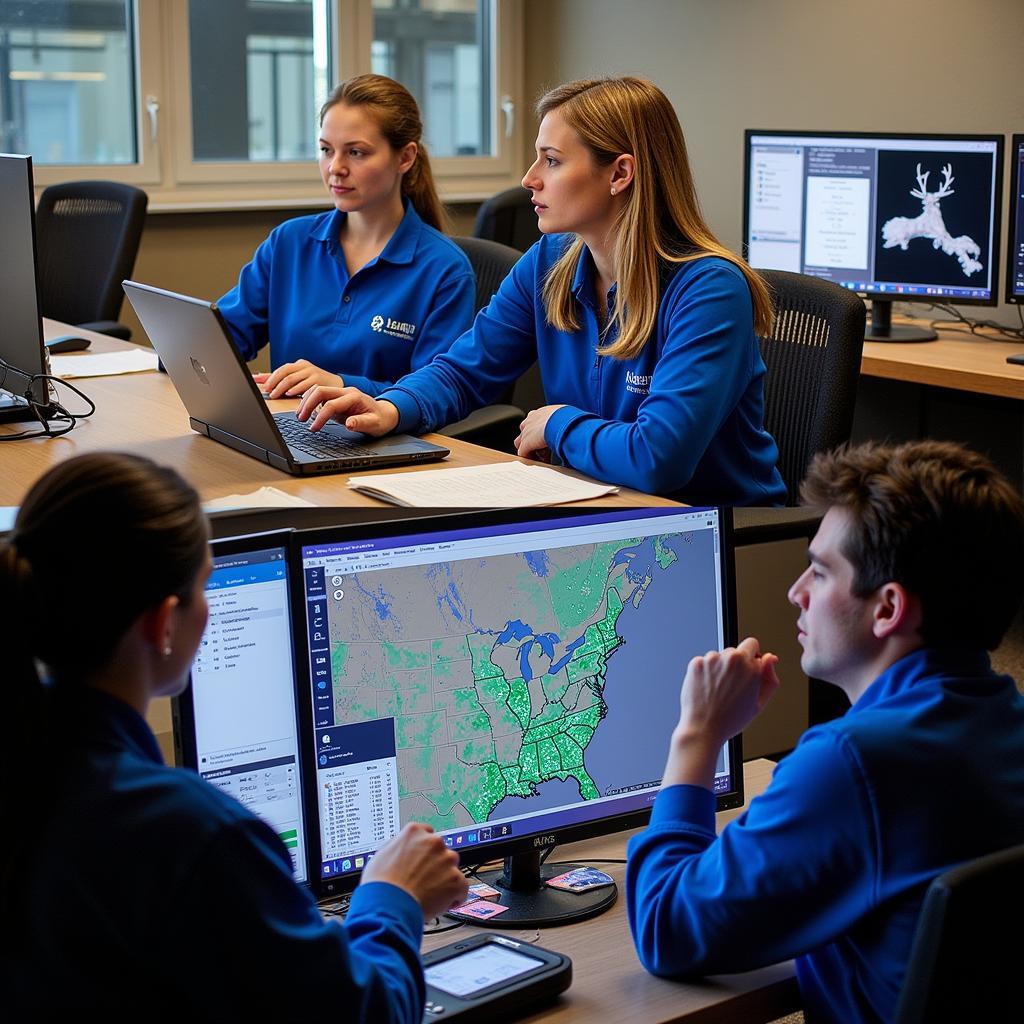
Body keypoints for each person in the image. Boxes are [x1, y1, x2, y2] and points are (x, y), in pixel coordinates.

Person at [0, 452, 468, 1018]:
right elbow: (362, 1013)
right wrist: (393, 897)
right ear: (162, 623)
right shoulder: (188, 834)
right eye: (207, 588)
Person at [625, 440, 1024, 1023]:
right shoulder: (1006, 719)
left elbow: (665, 929)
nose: (796, 592)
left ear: (887, 609)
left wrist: (698, 735)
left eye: (819, 570)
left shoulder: (853, 764)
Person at [294, 76, 786, 505]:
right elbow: (465, 371)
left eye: (551, 161)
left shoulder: (708, 290)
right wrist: (392, 407)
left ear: (620, 173)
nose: (529, 180)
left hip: (720, 535)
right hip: (601, 507)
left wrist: (558, 424)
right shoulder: (550, 263)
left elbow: (658, 458)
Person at [218, 73, 475, 399]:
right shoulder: (289, 242)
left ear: (405, 158)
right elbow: (225, 337)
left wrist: (342, 384)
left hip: (382, 440)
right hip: (289, 430)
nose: (334, 167)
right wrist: (183, 345)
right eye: (326, 150)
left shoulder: (445, 270)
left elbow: (438, 392)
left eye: (356, 153)